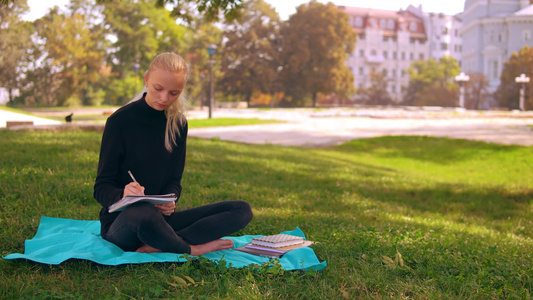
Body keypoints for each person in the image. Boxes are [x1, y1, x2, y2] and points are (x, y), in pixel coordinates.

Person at [94, 52, 253, 255]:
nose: (164, 98)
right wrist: (123, 194)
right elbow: (101, 187)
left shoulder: (178, 124)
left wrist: (171, 200)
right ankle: (189, 248)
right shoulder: (119, 122)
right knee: (143, 213)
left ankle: (160, 244)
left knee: (241, 210)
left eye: (174, 93)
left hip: (162, 221)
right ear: (146, 80)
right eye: (158, 89)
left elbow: (174, 180)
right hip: (124, 223)